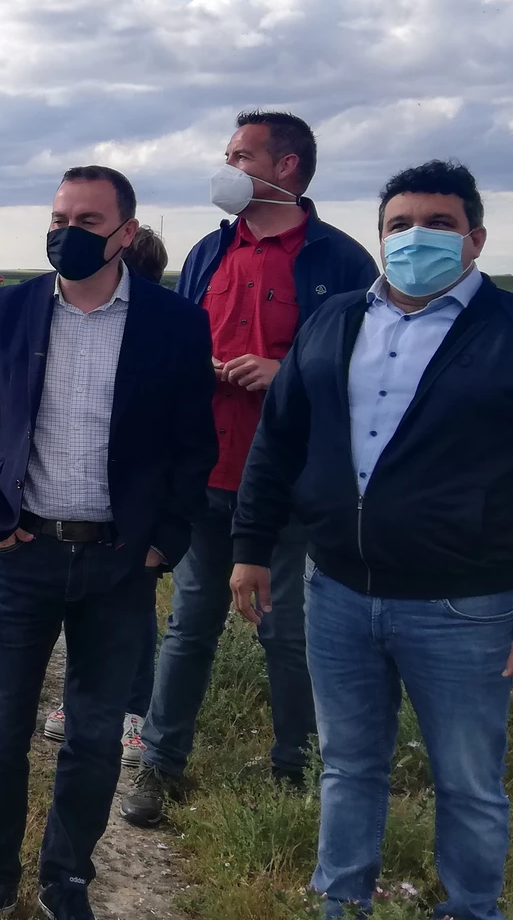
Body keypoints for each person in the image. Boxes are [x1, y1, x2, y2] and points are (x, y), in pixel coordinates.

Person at [233, 160, 513, 920]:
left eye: (439, 224)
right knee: (348, 765)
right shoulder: (336, 320)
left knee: (469, 778)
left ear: (475, 238)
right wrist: (250, 545)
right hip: (338, 593)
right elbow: (279, 441)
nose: (417, 237)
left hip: (465, 606)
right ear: (380, 238)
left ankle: (472, 907)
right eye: (399, 225)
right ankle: (341, 903)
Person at [0, 166, 217, 920]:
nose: (66, 231)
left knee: (94, 739)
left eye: (88, 221)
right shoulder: (12, 310)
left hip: (119, 565)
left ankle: (67, 878)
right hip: (21, 556)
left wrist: (163, 542)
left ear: (125, 233)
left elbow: (196, 449)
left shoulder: (174, 323)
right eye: (59, 216)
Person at [120, 111, 378, 826]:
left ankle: (295, 765)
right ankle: (160, 764)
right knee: (190, 623)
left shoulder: (341, 261)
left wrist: (285, 372)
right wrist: (192, 368)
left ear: (286, 166)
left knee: (285, 628)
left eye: (240, 154)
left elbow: (369, 366)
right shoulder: (208, 251)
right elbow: (177, 338)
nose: (226, 166)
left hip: (291, 480)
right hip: (207, 469)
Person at [42, 221, 171, 765]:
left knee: (132, 613)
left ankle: (133, 712)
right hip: (80, 502)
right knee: (82, 607)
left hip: (136, 504)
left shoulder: (164, 327)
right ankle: (84, 704)